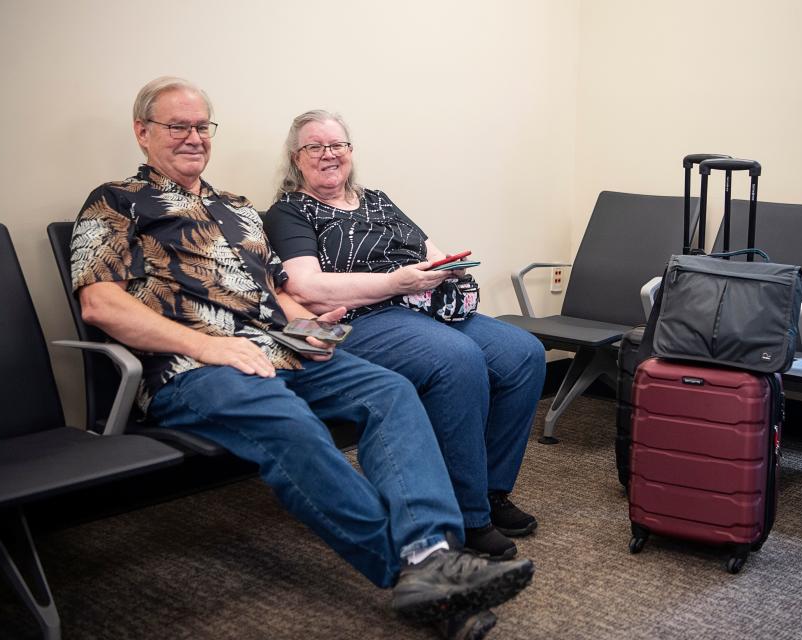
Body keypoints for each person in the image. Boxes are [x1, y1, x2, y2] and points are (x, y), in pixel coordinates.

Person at [70, 76, 532, 639]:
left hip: (282, 349)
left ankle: (431, 545)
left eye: (201, 126)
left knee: (390, 391)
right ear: (143, 133)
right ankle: (419, 570)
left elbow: (274, 291)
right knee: (292, 425)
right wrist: (209, 345)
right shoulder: (116, 201)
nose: (193, 137)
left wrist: (304, 323)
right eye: (177, 126)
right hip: (194, 367)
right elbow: (100, 303)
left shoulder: (236, 208)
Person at [263, 110, 547, 561]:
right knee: (456, 358)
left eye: (337, 145)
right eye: (314, 147)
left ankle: (492, 491)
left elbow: (428, 252)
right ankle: (466, 516)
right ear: (296, 159)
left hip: (421, 304)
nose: (328, 154)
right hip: (363, 318)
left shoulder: (378, 200)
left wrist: (443, 270)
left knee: (523, 353)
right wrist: (395, 283)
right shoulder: (289, 212)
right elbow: (304, 287)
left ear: (351, 152)